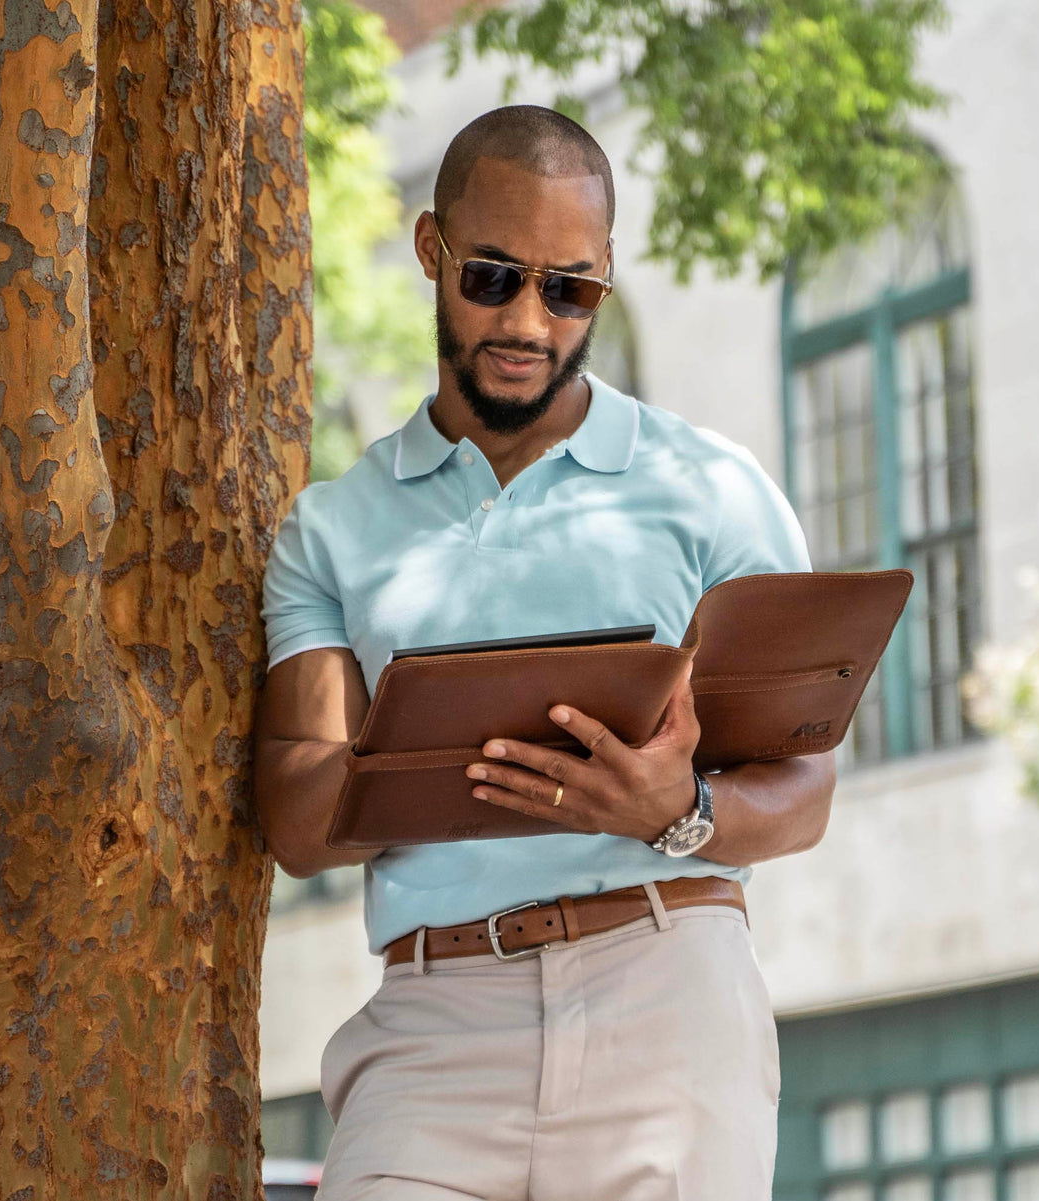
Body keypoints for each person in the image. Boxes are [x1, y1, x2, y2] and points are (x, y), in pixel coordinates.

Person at [255, 105, 836, 1200]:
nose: (530, 319)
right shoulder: (330, 527)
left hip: (666, 998)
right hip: (434, 1020)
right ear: (431, 252)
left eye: (570, 288)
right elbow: (292, 813)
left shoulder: (715, 489)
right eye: (494, 277)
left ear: (604, 276)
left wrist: (676, 810)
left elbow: (805, 787)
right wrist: (441, 752)